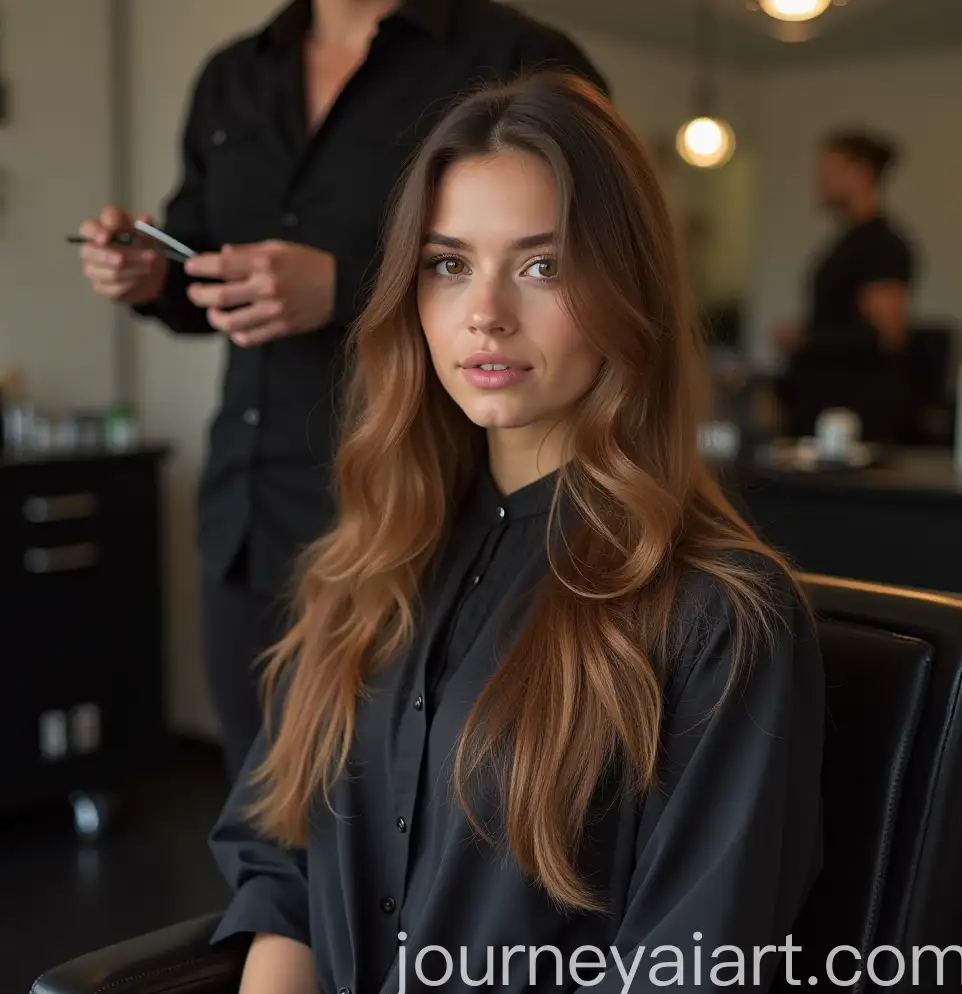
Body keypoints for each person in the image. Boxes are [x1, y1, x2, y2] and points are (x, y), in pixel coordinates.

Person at [207, 72, 826, 994]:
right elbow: (284, 867)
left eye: (542, 266)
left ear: (627, 291)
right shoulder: (364, 569)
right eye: (448, 263)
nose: (485, 312)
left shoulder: (717, 616)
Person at [74, 0, 607, 781]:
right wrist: (151, 274)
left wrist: (347, 284)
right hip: (247, 514)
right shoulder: (233, 76)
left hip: (420, 512)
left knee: (399, 807)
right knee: (260, 816)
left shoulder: (517, 54)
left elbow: (591, 258)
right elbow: (197, 254)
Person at [774, 129, 916, 442]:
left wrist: (807, 339)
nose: (820, 182)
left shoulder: (881, 246)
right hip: (822, 406)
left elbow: (887, 336)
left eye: (829, 172)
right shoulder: (847, 242)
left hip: (853, 418)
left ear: (861, 173)